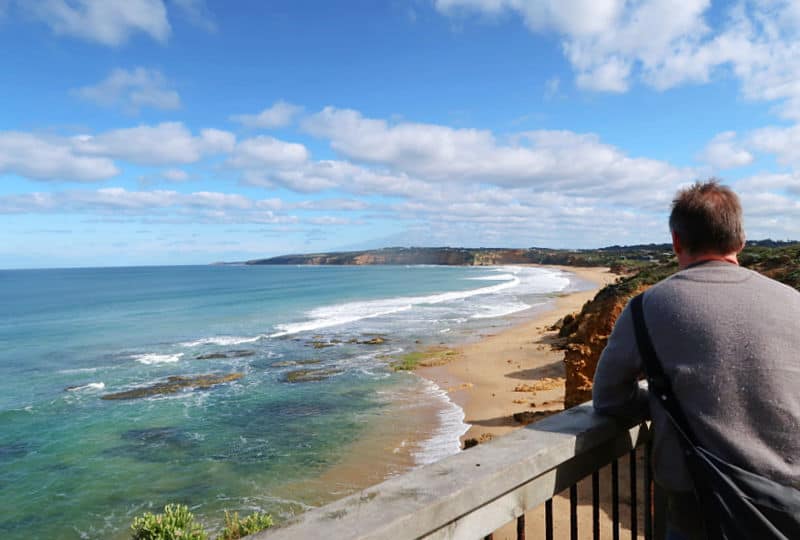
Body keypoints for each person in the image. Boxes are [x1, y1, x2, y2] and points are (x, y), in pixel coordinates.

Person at [592, 180, 800, 539]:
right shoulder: (793, 302)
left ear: (676, 241)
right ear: (741, 240)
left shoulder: (648, 307)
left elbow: (609, 397)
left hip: (702, 505)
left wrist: (663, 400)